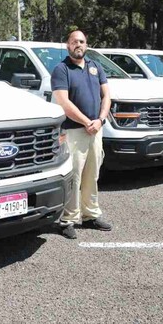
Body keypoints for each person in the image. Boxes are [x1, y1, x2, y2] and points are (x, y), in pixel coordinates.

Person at [51, 30, 112, 239]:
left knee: (92, 175)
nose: (78, 44)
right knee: (73, 177)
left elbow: (107, 96)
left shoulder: (95, 67)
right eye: (74, 41)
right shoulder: (61, 70)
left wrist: (100, 120)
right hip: (75, 132)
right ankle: (68, 219)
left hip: (96, 130)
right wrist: (87, 122)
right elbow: (64, 102)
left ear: (86, 45)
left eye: (82, 41)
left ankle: (90, 214)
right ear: (67, 45)